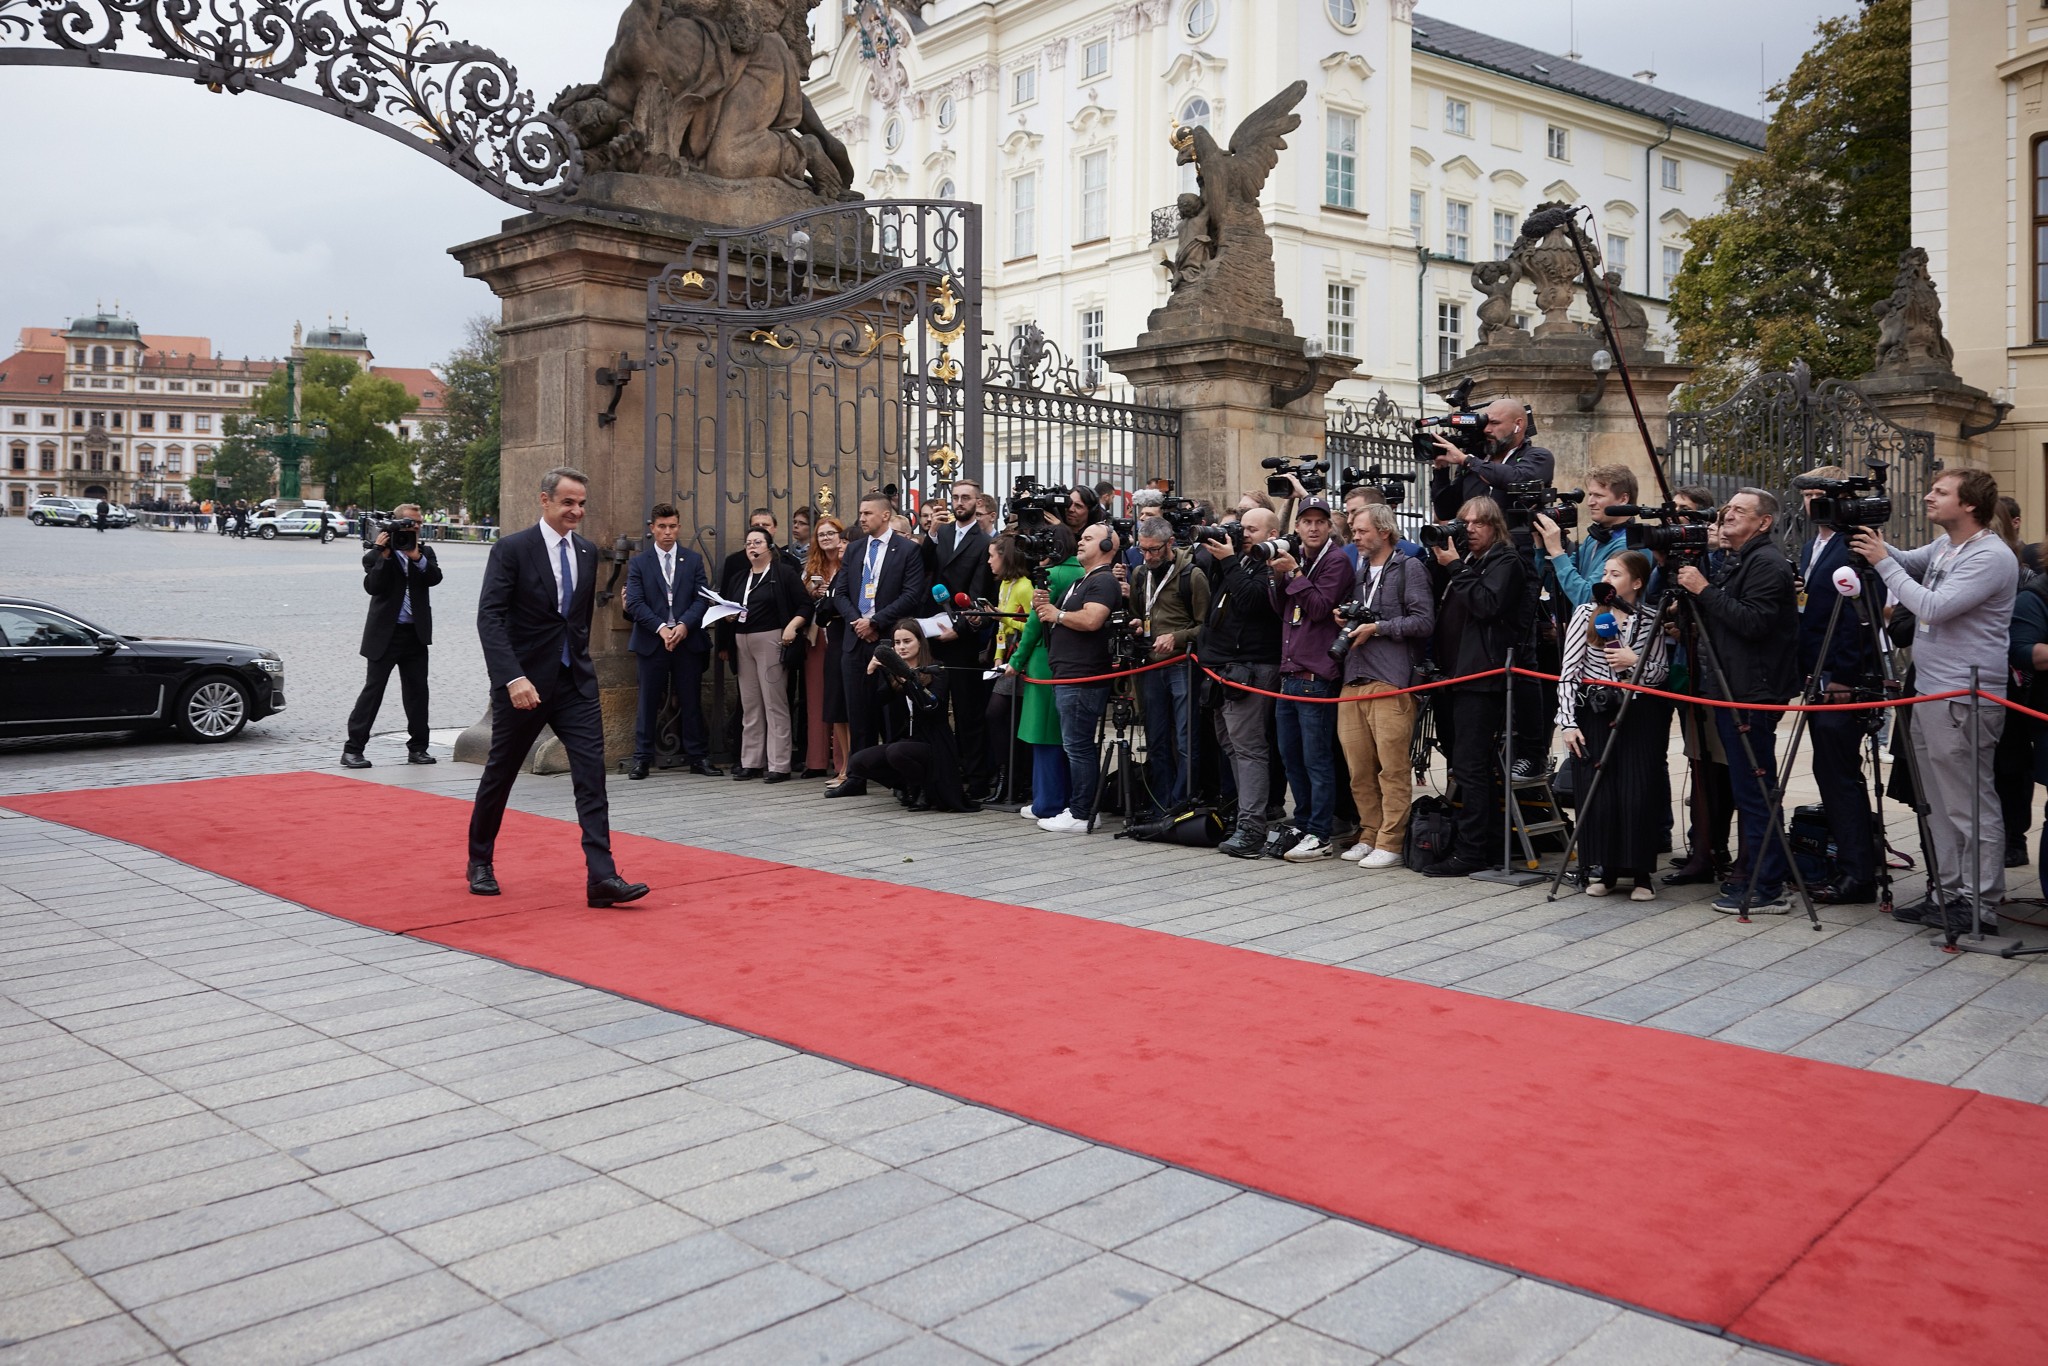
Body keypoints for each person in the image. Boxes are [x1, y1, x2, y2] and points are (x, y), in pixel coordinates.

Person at [468, 467, 648, 908]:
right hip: (523, 686)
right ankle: (479, 861)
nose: (577, 511)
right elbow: (490, 618)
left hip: (574, 684)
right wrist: (512, 678)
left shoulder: (586, 552)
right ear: (544, 500)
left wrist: (580, 664)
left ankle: (601, 878)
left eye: (582, 504)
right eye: (568, 502)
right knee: (501, 773)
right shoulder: (512, 549)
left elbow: (576, 620)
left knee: (591, 777)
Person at [1854, 468, 2020, 935]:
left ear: (1969, 505)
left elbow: (1933, 607)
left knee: (1969, 804)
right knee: (1939, 805)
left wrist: (1881, 562)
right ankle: (1947, 895)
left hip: (1963, 696)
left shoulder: (1990, 556)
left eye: (1940, 492)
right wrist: (1869, 538)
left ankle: (1980, 903)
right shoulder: (1949, 544)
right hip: (1932, 690)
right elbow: (1908, 560)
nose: (1929, 497)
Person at [1676, 488, 1801, 915]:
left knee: (1756, 790)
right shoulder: (1737, 558)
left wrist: (1702, 589)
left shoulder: (1766, 563)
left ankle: (1768, 886)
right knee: (1749, 788)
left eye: (1739, 511)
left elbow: (1753, 621)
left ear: (1763, 522)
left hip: (1751, 690)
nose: (1727, 514)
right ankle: (1760, 877)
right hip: (1732, 685)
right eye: (1727, 508)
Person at [1425, 497, 1532, 877]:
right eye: (1464, 522)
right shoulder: (1469, 559)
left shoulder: (1506, 561)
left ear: (1495, 526)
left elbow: (1488, 605)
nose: (1469, 530)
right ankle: (1485, 844)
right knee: (1467, 767)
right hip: (1454, 677)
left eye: (1478, 523)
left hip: (1481, 680)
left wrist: (1454, 565)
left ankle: (1472, 852)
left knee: (1472, 768)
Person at [1558, 551, 1671, 900]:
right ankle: (1604, 870)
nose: (1606, 579)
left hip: (1639, 714)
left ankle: (1641, 874)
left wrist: (1633, 661)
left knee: (1637, 793)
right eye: (1605, 573)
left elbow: (1659, 673)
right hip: (1595, 712)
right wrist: (1566, 722)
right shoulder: (1586, 614)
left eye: (1616, 574)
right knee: (1600, 794)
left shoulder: (1650, 618)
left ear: (1636, 582)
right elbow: (1569, 672)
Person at [1792, 470, 1883, 904]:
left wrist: (1845, 675)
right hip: (1815, 671)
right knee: (1827, 772)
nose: (1812, 502)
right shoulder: (1813, 544)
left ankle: (1857, 874)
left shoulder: (1856, 543)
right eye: (1808, 495)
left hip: (1842, 678)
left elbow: (1859, 617)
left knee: (1840, 775)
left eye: (1820, 494)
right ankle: (1851, 862)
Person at [1336, 502, 1435, 868]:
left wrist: (1378, 627)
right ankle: (1369, 833)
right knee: (1359, 770)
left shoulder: (1410, 567)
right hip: (1353, 676)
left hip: (1391, 679)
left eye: (1362, 531)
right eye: (1354, 531)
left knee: (1391, 768)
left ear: (1384, 531)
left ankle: (1391, 841)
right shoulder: (1360, 571)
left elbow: (1424, 621)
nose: (1355, 537)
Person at [826, 490, 930, 795]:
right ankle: (856, 778)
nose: (862, 518)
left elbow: (911, 595)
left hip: (888, 640)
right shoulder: (856, 550)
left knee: (893, 712)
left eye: (868, 513)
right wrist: (858, 622)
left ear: (885, 515)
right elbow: (840, 593)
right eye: (861, 513)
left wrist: (875, 622)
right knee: (858, 712)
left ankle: (899, 780)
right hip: (855, 641)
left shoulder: (907, 550)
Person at [1268, 497, 1353, 861]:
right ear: (1298, 527)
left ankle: (1320, 832)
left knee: (1316, 759)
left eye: (1320, 521)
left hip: (1317, 674)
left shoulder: (1336, 560)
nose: (1314, 527)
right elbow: (1281, 609)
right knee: (1291, 757)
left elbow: (1319, 609)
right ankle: (1303, 823)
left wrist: (1295, 575)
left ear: (1330, 526)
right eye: (1307, 521)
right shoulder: (1296, 556)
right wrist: (1278, 576)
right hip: (1289, 672)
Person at [1662, 486, 1736, 886]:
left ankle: (1714, 850)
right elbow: (1661, 600)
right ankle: (1702, 847)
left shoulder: (1724, 560)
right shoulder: (1686, 558)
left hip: (1720, 678)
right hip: (1689, 669)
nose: (1678, 520)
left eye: (1687, 513)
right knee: (1699, 764)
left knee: (1721, 768)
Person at [1203, 507, 1286, 858]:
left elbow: (1252, 601)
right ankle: (1246, 816)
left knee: (1249, 747)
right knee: (1230, 743)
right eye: (1241, 528)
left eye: (1252, 529)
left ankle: (1252, 828)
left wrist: (1228, 560)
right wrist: (1222, 554)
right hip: (1223, 667)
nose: (1244, 534)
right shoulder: (1237, 560)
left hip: (1252, 667)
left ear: (1271, 534)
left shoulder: (1273, 565)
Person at [1034, 522, 1125, 833]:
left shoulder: (1103, 581)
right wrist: (1045, 608)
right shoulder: (1081, 580)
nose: (1081, 542)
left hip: (1083, 676)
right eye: (1081, 537)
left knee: (1078, 746)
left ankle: (1082, 812)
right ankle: (1082, 808)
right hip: (1069, 673)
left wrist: (1057, 614)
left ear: (1107, 547)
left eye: (1089, 538)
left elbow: (1092, 619)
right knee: (1075, 744)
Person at [342, 503, 442, 769]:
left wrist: (416, 557)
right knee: (373, 692)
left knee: (418, 693)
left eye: (419, 523)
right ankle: (353, 749)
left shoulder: (424, 552)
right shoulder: (376, 554)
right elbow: (373, 587)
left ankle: (418, 748)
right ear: (396, 524)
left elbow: (435, 578)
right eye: (411, 522)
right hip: (385, 635)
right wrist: (384, 555)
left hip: (415, 635)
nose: (416, 527)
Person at [624, 502, 717, 780]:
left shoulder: (692, 560)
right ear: (652, 528)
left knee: (691, 699)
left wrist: (684, 625)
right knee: (647, 700)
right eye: (662, 527)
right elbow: (635, 602)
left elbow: (702, 597)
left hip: (687, 641)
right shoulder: (639, 563)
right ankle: (642, 758)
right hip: (653, 640)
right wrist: (661, 628)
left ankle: (698, 757)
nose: (668, 532)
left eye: (672, 526)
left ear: (679, 527)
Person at [1129, 516, 1211, 818]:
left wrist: (1176, 638)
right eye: (1143, 550)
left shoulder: (1192, 575)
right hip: (1150, 664)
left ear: (1170, 544)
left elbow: (1207, 628)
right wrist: (1137, 625)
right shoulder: (1140, 574)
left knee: (1186, 737)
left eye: (1154, 550)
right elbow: (1137, 613)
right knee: (1156, 737)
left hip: (1181, 664)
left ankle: (1182, 801)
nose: (1148, 556)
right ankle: (1160, 802)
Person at [718, 527, 811, 783]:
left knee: (774, 702)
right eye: (748, 543)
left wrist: (792, 627)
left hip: (770, 639)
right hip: (742, 642)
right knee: (750, 704)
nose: (752, 547)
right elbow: (731, 607)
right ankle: (752, 762)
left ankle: (779, 764)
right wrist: (728, 616)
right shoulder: (740, 577)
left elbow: (805, 605)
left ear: (769, 547)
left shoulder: (783, 573)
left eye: (757, 542)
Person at [847, 624, 974, 811]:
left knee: (896, 752)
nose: (901, 647)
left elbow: (931, 706)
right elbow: (869, 705)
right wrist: (870, 672)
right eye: (897, 643)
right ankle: (907, 786)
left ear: (920, 643)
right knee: (858, 762)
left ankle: (925, 790)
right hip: (908, 740)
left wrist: (908, 678)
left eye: (907, 641)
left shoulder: (937, 669)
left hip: (934, 742)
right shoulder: (893, 675)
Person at [1005, 524, 1081, 820]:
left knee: (1045, 735)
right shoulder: (1080, 572)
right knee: (1065, 737)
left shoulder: (1052, 575)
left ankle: (1047, 803)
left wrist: (1017, 660)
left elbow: (1035, 623)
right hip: (1069, 660)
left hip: (1044, 661)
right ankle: (1065, 799)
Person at [929, 479, 996, 790]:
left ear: (977, 503)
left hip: (963, 638)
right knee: (934, 706)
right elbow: (928, 572)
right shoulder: (941, 533)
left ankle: (976, 779)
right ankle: (941, 771)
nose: (959, 502)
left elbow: (978, 592)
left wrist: (958, 630)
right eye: (955, 497)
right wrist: (930, 536)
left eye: (966, 498)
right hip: (933, 630)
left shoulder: (983, 543)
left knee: (967, 710)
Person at [1426, 397, 1556, 521]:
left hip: (1514, 537)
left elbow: (1516, 478)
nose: (1487, 430)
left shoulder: (1539, 456)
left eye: (1495, 423)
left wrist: (1468, 461)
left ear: (1518, 424)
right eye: (1486, 423)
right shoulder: (1477, 459)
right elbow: (1444, 511)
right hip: (1473, 537)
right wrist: (1441, 468)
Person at [1533, 464, 1642, 608]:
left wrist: (1557, 551)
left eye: (1599, 496)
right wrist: (1542, 547)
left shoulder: (1629, 543)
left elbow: (1589, 599)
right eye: (1590, 495)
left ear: (1623, 499)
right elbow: (1555, 587)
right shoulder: (1595, 537)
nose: (1590, 502)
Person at [981, 533, 1039, 801]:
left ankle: (1015, 778)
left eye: (992, 556)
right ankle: (1007, 776)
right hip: (1007, 658)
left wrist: (1002, 618)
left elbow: (1032, 626)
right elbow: (1001, 629)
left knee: (1001, 715)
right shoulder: (1005, 584)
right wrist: (997, 655)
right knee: (999, 716)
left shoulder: (1025, 587)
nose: (989, 561)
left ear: (1006, 557)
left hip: (1023, 658)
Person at [802, 515, 849, 782]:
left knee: (840, 698)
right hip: (817, 634)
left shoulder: (850, 562)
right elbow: (801, 599)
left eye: (831, 533)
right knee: (817, 697)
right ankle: (816, 761)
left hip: (842, 632)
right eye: (821, 535)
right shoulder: (811, 566)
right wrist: (813, 592)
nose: (827, 538)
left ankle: (843, 763)